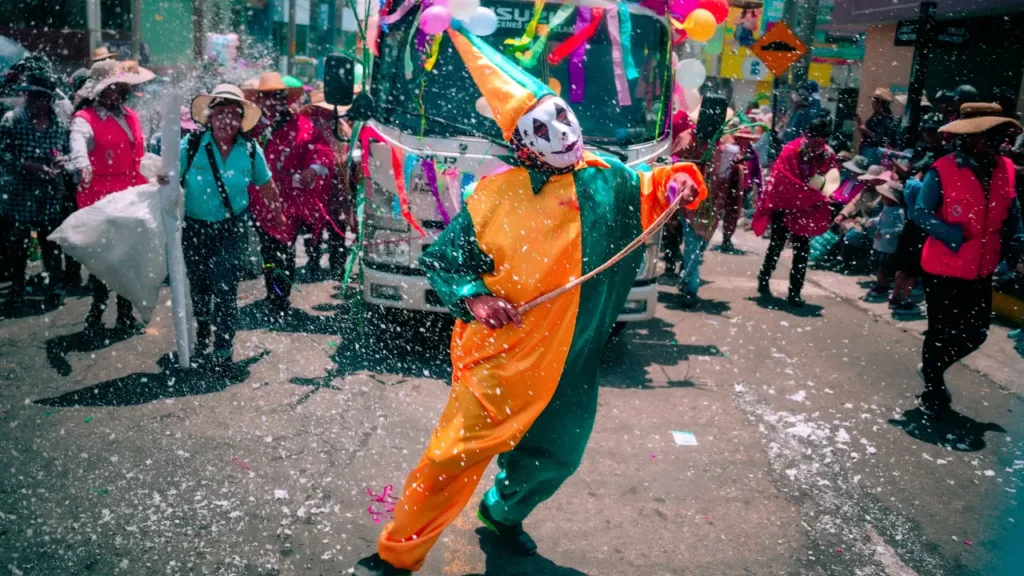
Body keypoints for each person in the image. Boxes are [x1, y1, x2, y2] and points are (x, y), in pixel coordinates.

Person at [352, 25, 707, 576]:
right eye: (541, 127)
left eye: (561, 115)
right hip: (503, 357)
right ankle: (396, 555)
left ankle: (502, 513)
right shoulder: (492, 198)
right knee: (449, 458)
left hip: (572, 361)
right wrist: (475, 300)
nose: (561, 131)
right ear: (520, 145)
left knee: (556, 457)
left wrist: (678, 183)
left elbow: (652, 186)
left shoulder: (608, 179)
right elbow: (445, 262)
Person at [910, 103, 1024, 417]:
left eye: (997, 135)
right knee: (940, 331)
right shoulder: (942, 169)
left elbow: (1013, 213)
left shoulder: (1006, 168)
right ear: (968, 137)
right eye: (987, 134)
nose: (994, 141)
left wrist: (1018, 246)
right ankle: (933, 391)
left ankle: (932, 368)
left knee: (977, 333)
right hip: (943, 267)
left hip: (983, 267)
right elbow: (920, 212)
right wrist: (951, 234)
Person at [172, 84, 285, 371]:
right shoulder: (191, 146)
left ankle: (223, 350)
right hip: (195, 227)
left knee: (225, 287)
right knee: (199, 286)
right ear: (209, 117)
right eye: (220, 112)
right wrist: (161, 181)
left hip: (232, 227)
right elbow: (168, 177)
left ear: (241, 119)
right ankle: (203, 328)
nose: (227, 120)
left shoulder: (250, 149)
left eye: (233, 114)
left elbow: (266, 184)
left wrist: (278, 214)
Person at [69, 59, 154, 333]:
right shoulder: (85, 119)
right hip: (101, 198)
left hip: (131, 195)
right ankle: (96, 313)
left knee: (128, 256)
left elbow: (141, 153)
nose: (117, 92)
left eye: (120, 87)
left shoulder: (131, 115)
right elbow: (78, 144)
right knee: (104, 259)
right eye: (112, 87)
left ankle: (125, 314)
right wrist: (82, 164)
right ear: (100, 90)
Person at [248, 72, 334, 321]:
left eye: (277, 96)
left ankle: (281, 297)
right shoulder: (252, 127)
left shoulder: (302, 126)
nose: (272, 101)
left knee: (285, 251)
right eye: (267, 96)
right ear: (259, 99)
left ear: (284, 99)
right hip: (260, 201)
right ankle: (273, 292)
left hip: (291, 202)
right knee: (268, 251)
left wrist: (312, 169)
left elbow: (322, 151)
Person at [0, 72, 70, 308]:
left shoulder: (59, 124)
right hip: (19, 192)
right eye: (33, 97)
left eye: (42, 98)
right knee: (18, 244)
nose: (37, 102)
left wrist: (62, 162)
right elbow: (3, 154)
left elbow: (68, 152)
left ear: (49, 100)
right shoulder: (12, 121)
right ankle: (17, 288)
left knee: (51, 242)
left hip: (49, 193)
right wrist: (28, 165)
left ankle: (55, 288)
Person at [754, 117, 839, 307]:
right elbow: (784, 180)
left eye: (822, 142)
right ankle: (764, 276)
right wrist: (805, 193)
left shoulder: (828, 155)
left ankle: (795, 292)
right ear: (807, 135)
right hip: (784, 205)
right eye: (815, 141)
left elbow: (829, 181)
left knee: (802, 251)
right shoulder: (791, 150)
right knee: (776, 245)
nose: (818, 146)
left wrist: (816, 194)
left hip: (807, 208)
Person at [299, 89, 355, 278]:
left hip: (338, 184)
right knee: (311, 224)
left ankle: (337, 265)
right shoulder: (308, 127)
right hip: (315, 184)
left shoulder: (342, 127)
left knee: (337, 226)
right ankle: (313, 261)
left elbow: (348, 153)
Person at [863, 178, 906, 302]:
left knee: (883, 267)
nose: (882, 198)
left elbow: (899, 228)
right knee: (877, 265)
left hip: (888, 245)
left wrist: (885, 232)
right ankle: (879, 284)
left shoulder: (898, 211)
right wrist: (873, 221)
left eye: (885, 196)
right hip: (879, 242)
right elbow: (880, 218)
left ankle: (883, 286)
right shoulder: (886, 207)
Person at [857, 87, 894, 160]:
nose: (872, 103)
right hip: (868, 149)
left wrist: (865, 130)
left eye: (874, 101)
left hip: (873, 151)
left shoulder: (885, 118)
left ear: (879, 103)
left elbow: (879, 137)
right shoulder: (876, 114)